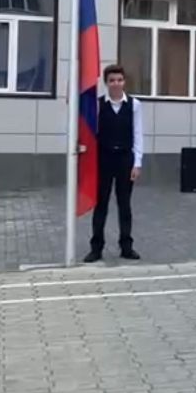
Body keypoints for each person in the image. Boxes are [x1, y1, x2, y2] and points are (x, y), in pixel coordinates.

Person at [84, 65, 143, 263]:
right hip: (104, 159)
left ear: (124, 81)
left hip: (125, 159)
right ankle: (96, 248)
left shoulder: (134, 105)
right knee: (101, 204)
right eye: (112, 80)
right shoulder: (98, 105)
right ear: (106, 83)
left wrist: (137, 163)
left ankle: (126, 247)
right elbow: (91, 133)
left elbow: (138, 135)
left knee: (124, 205)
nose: (116, 84)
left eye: (119, 80)